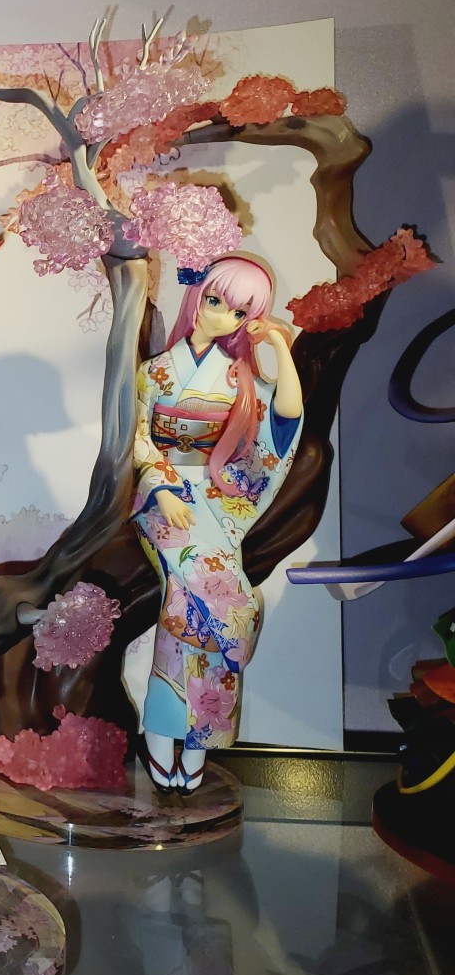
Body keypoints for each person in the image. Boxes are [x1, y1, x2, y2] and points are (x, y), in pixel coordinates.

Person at [132, 253, 302, 792]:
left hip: (217, 501)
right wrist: (160, 486)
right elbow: (137, 437)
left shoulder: (239, 377)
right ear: (196, 297)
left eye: (238, 312)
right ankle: (164, 730)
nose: (223, 316)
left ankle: (196, 739)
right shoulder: (154, 372)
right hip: (163, 495)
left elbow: (286, 418)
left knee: (200, 610)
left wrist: (279, 347)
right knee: (190, 601)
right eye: (214, 301)